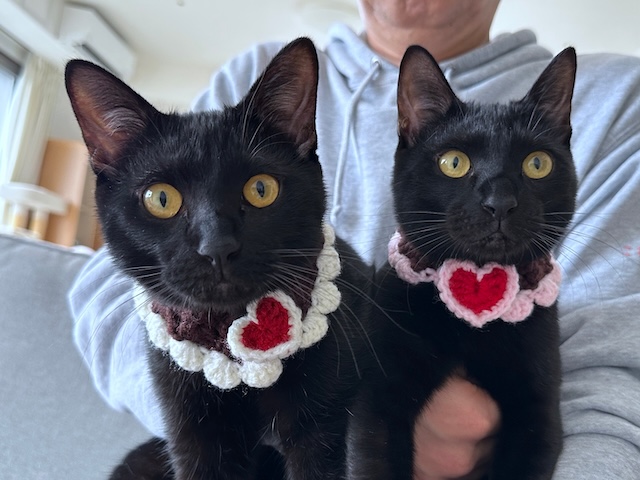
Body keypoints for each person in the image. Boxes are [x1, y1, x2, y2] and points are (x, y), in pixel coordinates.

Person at [68, 0, 640, 478]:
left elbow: (614, 384)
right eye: (165, 201)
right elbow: (109, 289)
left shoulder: (613, 99)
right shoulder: (254, 72)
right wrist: (216, 421)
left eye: (260, 191)